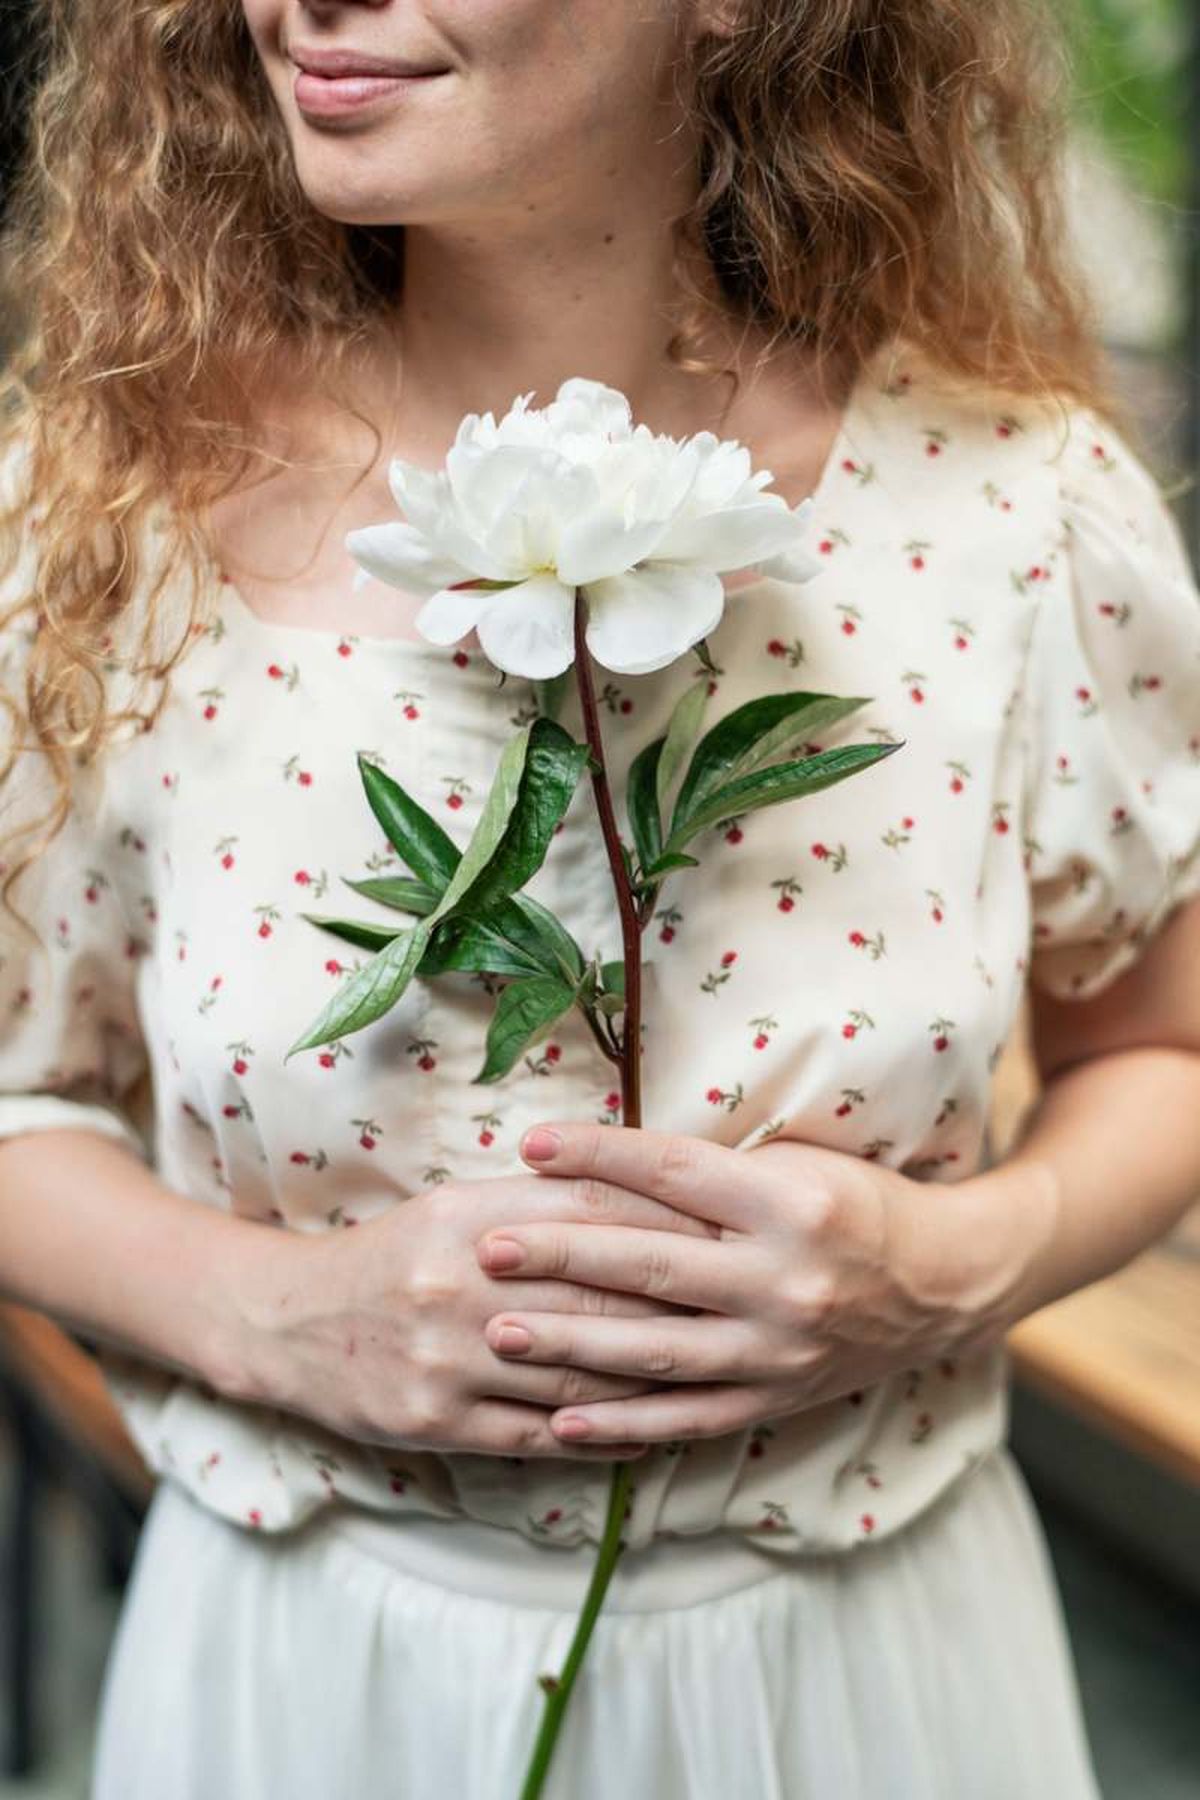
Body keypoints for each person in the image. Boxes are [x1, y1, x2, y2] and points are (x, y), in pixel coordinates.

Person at [1, 2, 1198, 1795]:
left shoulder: (1011, 515)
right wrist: (270, 1314)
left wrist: (955, 1267)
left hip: (866, 1686)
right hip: (310, 1680)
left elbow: (1166, 1047)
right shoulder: (111, 509)